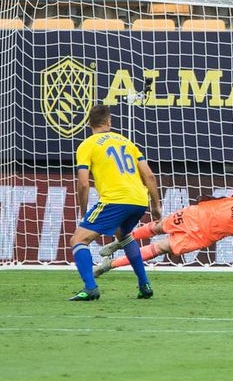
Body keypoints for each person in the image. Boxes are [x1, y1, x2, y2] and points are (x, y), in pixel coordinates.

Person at [94, 151, 233, 273]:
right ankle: (119, 243)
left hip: (202, 237)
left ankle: (109, 265)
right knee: (156, 227)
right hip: (197, 214)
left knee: (159, 248)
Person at [68, 105, 162, 301]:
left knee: (78, 240)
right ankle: (144, 285)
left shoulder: (87, 144)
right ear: (109, 122)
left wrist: (83, 210)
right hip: (138, 200)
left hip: (115, 200)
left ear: (89, 123)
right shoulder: (127, 142)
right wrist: (156, 206)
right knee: (124, 235)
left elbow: (84, 183)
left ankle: (90, 287)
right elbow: (149, 175)